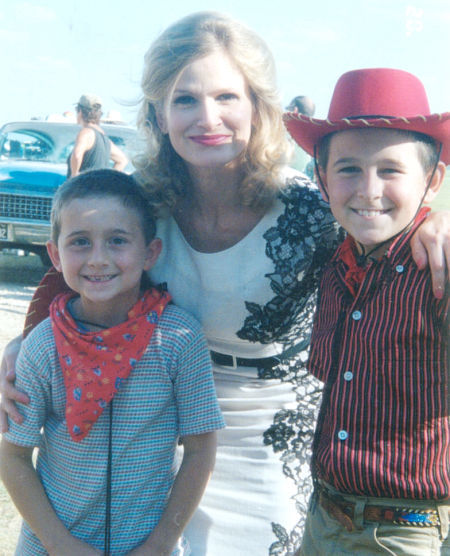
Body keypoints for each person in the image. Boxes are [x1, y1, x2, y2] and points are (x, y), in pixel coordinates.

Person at [1, 13, 449, 556]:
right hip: (155, 421)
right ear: (158, 114)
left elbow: (378, 219)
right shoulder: (142, 201)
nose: (207, 117)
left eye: (227, 98)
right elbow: (72, 273)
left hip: (272, 434)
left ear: (257, 109)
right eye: (185, 99)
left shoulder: (311, 207)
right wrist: (21, 344)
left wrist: (433, 219)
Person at [0, 169, 225, 555]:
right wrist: (60, 545)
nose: (98, 259)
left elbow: (201, 451)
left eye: (117, 241)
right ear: (54, 254)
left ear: (150, 252)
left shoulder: (178, 340)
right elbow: (13, 455)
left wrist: (160, 545)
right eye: (80, 242)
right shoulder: (40, 347)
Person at [285, 68, 449, 555]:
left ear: (433, 179)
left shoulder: (437, 272)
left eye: (391, 170)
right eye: (349, 169)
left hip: (405, 530)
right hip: (322, 516)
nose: (368, 189)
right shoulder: (338, 267)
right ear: (321, 177)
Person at [68, 94, 128, 177]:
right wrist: (106, 181)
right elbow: (122, 160)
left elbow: (77, 155)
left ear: (80, 112)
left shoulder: (86, 133)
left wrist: (74, 176)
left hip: (82, 188)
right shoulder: (103, 137)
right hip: (98, 189)